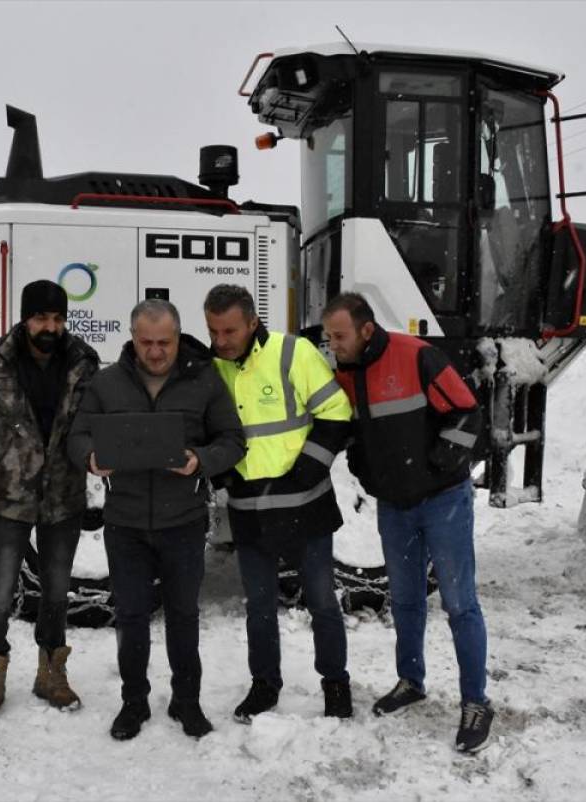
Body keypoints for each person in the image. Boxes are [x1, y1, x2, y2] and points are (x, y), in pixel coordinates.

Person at [321, 292, 492, 753]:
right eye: (329, 336)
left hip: (444, 501)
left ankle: (476, 701)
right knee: (405, 599)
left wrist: (439, 462)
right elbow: (354, 430)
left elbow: (469, 411)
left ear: (366, 331)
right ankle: (410, 681)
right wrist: (364, 468)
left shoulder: (417, 357)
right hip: (394, 506)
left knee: (459, 604)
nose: (332, 344)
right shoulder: (345, 375)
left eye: (339, 336)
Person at [67, 299, 244, 741]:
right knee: (130, 616)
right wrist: (90, 457)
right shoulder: (107, 383)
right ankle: (134, 703)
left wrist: (200, 459)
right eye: (146, 342)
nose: (156, 351)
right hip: (125, 522)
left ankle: (188, 702)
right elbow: (77, 435)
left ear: (178, 337)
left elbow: (233, 440)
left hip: (182, 521)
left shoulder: (203, 381)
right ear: (131, 338)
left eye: (164, 342)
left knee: (183, 616)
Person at [202, 284, 354, 722]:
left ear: (252, 322)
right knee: (260, 606)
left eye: (230, 330)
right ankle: (264, 685)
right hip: (250, 510)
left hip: (306, 503)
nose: (221, 340)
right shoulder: (214, 367)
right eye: (214, 331)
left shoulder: (293, 353)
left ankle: (335, 683)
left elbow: (336, 414)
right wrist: (224, 474)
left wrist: (307, 471)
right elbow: (211, 431)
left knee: (322, 602)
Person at [0, 279, 100, 720]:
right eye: (42, 317)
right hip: (9, 495)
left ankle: (51, 674)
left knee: (57, 591)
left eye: (58, 318)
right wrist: (5, 459)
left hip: (63, 495)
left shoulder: (83, 360)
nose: (50, 326)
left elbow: (91, 421)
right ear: (24, 318)